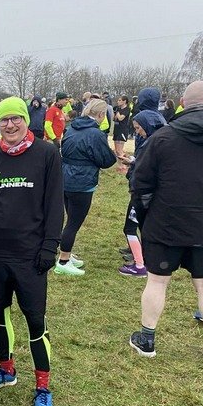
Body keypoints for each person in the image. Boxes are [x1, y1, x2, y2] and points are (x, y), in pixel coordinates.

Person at [129, 81, 203, 366]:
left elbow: (140, 184)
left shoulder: (164, 137)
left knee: (157, 281)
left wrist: (147, 217)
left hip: (166, 223)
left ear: (183, 101)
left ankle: (147, 338)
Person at [0, 97, 63, 406]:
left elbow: (55, 205)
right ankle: (7, 369)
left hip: (30, 254)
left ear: (26, 120)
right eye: (3, 120)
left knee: (35, 321)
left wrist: (49, 247)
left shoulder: (46, 154)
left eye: (16, 119)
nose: (9, 125)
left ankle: (43, 386)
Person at [55, 99, 118, 276]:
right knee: (74, 223)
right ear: (100, 114)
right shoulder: (95, 134)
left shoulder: (71, 127)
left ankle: (65, 252)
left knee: (70, 219)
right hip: (82, 182)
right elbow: (106, 160)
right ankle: (63, 260)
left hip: (65, 178)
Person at [117, 88, 166, 277]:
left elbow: (149, 168)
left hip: (143, 191)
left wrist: (135, 169)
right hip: (143, 188)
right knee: (141, 226)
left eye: (137, 129)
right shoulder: (155, 137)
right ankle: (142, 258)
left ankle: (140, 265)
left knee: (130, 227)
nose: (136, 132)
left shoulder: (152, 143)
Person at [112, 95, 132, 161]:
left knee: (119, 150)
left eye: (120, 100)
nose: (118, 102)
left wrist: (117, 112)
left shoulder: (127, 109)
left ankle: (125, 164)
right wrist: (114, 113)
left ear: (124, 101)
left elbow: (121, 118)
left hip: (122, 130)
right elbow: (114, 119)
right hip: (116, 129)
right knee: (116, 150)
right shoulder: (118, 108)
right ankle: (120, 166)